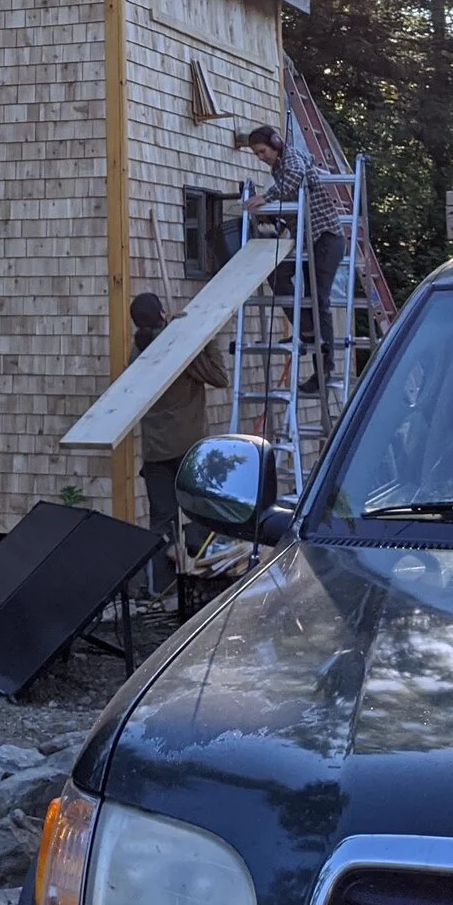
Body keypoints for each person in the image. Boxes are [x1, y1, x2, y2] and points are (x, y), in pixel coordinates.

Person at [130, 292, 230, 593]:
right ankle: (200, 578)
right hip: (188, 448)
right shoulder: (180, 348)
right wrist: (205, 337)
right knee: (204, 511)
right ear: (163, 314)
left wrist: (174, 331)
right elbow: (219, 377)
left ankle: (159, 588)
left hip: (155, 451)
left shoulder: (138, 351)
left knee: (163, 521)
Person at [238, 124, 347, 387]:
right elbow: (293, 204)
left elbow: (294, 180)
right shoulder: (278, 168)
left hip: (327, 238)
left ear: (276, 143)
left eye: (262, 151)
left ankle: (324, 371)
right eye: (257, 153)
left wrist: (266, 198)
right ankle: (306, 329)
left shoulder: (293, 160)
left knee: (318, 298)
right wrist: (273, 218)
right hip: (308, 240)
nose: (261, 157)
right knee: (277, 275)